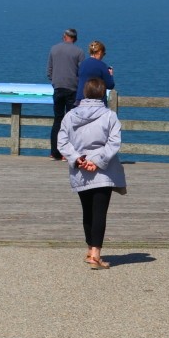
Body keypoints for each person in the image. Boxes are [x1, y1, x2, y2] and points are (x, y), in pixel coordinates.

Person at [57, 77, 127, 269]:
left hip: (80, 170)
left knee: (87, 211)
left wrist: (78, 159)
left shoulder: (71, 115)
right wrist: (97, 161)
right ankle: (95, 254)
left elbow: (62, 142)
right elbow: (114, 143)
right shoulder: (110, 116)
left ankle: (90, 248)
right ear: (103, 94)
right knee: (99, 213)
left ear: (85, 93)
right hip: (103, 172)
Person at [47, 28, 84, 160]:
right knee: (71, 122)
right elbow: (81, 72)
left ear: (64, 37)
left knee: (57, 120)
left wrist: (55, 81)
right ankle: (67, 153)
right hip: (72, 89)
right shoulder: (79, 52)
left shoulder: (54, 49)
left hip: (58, 88)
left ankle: (54, 152)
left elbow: (49, 71)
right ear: (75, 38)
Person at [75, 40, 115, 106]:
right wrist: (110, 74)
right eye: (104, 54)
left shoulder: (82, 64)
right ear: (100, 52)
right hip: (96, 102)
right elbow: (110, 85)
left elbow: (77, 80)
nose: (103, 56)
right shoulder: (102, 65)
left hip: (80, 100)